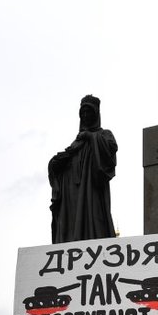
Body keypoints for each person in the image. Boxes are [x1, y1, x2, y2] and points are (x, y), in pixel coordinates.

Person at [48, 95, 117, 245]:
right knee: (71, 221)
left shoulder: (104, 134)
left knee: (94, 219)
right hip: (71, 191)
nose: (85, 116)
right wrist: (56, 164)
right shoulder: (77, 142)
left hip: (90, 189)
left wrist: (91, 137)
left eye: (89, 112)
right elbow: (67, 160)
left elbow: (110, 153)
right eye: (83, 113)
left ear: (96, 113)